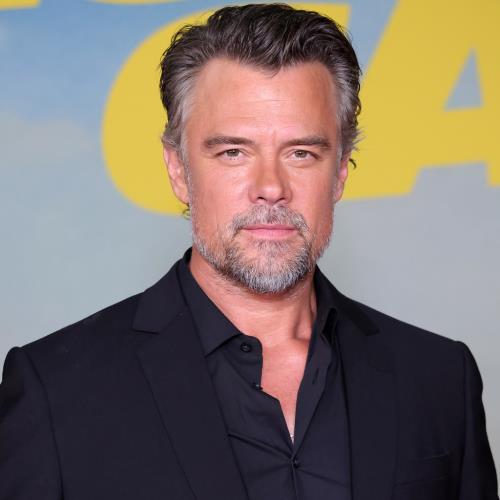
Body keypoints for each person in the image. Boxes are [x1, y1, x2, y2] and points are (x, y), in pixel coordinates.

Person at [0, 3, 498, 500]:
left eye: (301, 153)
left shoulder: (437, 377)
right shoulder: (56, 391)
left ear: (340, 173)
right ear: (178, 170)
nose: (271, 187)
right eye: (233, 152)